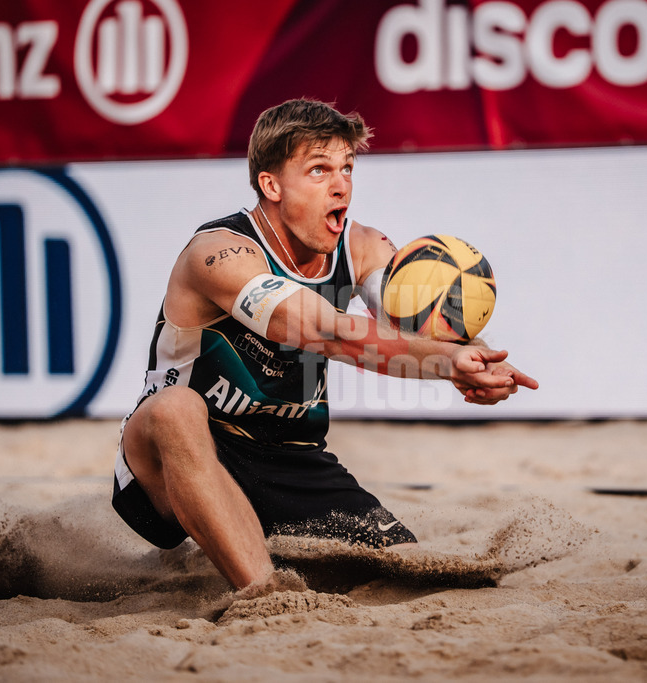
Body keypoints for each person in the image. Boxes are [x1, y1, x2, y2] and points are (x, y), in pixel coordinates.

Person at [112, 99, 538, 593]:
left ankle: (256, 550)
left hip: (292, 458)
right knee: (175, 409)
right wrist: (448, 363)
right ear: (271, 185)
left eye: (347, 169)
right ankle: (265, 599)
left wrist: (473, 358)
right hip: (172, 458)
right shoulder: (218, 253)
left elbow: (423, 329)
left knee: (409, 578)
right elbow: (322, 331)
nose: (341, 186)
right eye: (319, 170)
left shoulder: (361, 246)